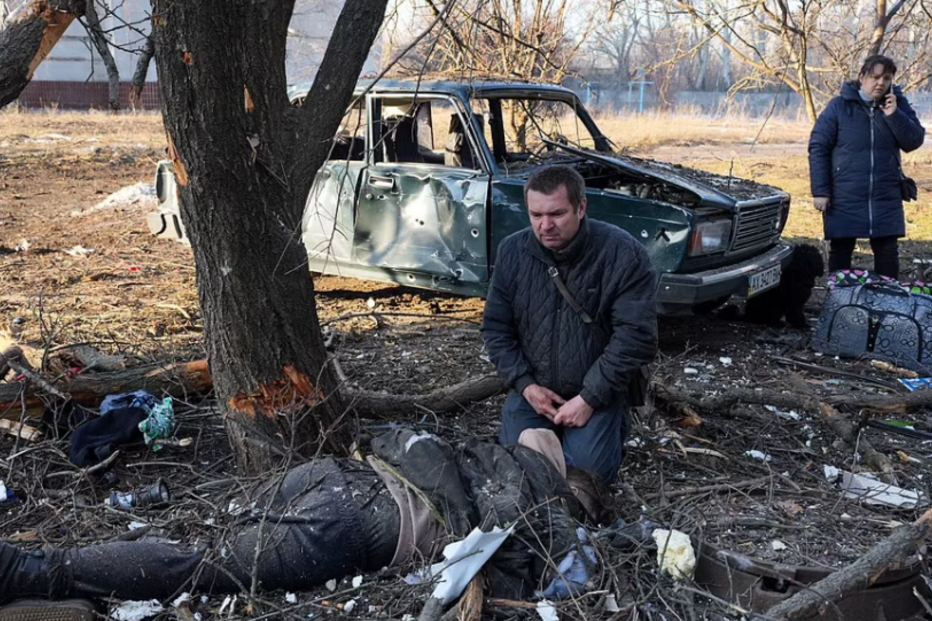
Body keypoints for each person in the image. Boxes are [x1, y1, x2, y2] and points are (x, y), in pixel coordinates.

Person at [0, 429, 607, 606]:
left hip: (338, 474)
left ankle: (52, 566)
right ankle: (32, 573)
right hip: (366, 520)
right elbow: (568, 578)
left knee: (210, 534)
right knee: (203, 567)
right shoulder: (552, 506)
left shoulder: (493, 456)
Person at [481, 165, 658, 484]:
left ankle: (607, 428)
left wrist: (590, 398)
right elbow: (496, 329)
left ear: (581, 207)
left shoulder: (622, 253)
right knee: (517, 475)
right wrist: (525, 385)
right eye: (535, 215)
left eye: (557, 214)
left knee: (585, 482)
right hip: (535, 390)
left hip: (596, 391)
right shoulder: (512, 252)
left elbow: (636, 337)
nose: (545, 226)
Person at [809, 54, 926, 279]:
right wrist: (821, 191)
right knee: (841, 251)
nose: (880, 82)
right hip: (845, 194)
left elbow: (914, 141)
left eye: (887, 78)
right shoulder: (839, 107)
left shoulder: (897, 105)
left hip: (885, 195)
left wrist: (894, 116)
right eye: (875, 77)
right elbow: (818, 147)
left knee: (888, 252)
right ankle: (839, 303)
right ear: (862, 77)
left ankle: (888, 303)